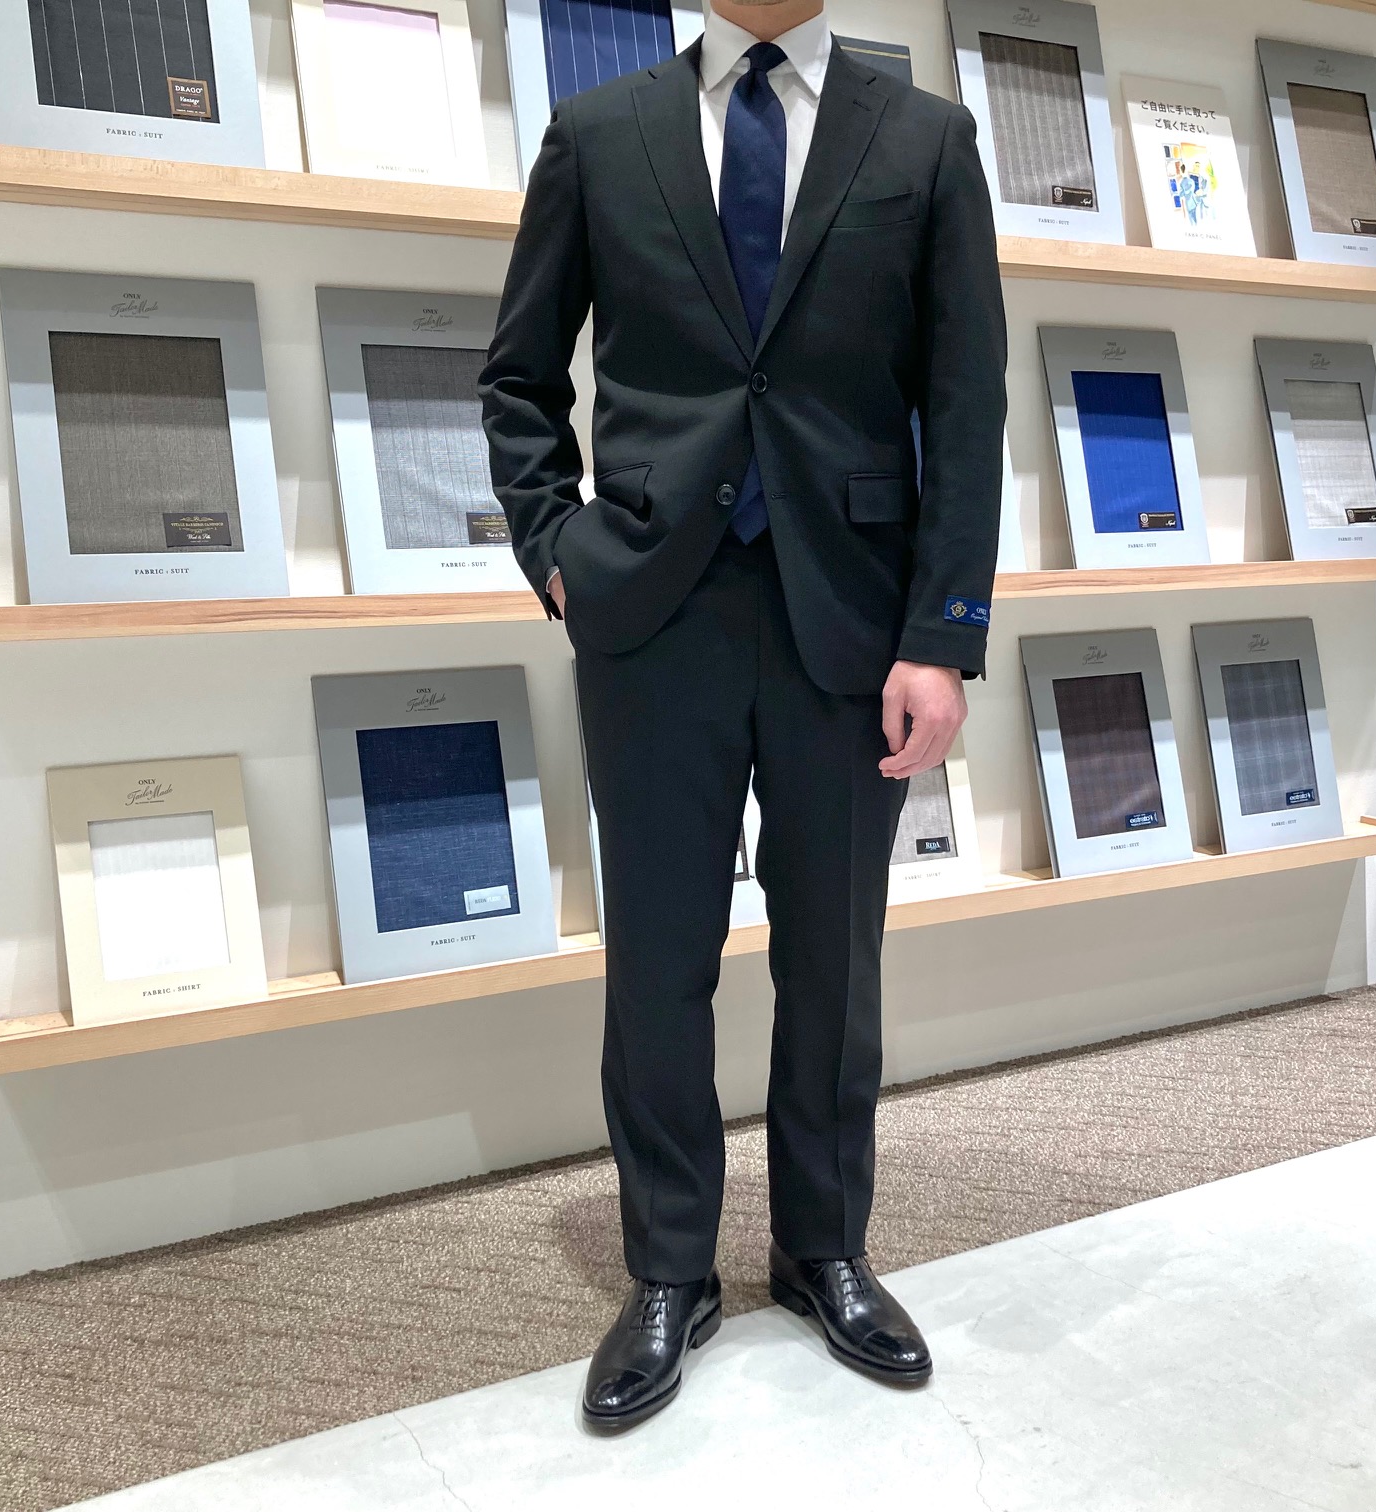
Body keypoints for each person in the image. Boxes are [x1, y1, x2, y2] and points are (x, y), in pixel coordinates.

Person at [480, 0, 1006, 1430]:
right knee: (658, 958)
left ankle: (823, 1249)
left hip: (854, 622)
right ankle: (669, 1269)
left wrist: (943, 634)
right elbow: (519, 376)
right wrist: (556, 554)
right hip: (652, 616)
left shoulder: (928, 140)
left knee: (835, 957)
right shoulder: (600, 134)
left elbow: (965, 402)